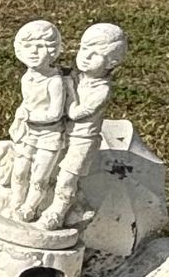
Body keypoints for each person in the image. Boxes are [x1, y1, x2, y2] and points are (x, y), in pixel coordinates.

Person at [45, 22, 129, 229]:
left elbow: (75, 113)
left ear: (112, 62)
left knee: (67, 178)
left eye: (95, 54)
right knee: (49, 170)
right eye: (83, 48)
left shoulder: (101, 90)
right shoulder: (74, 75)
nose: (85, 56)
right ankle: (64, 204)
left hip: (82, 140)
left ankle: (57, 212)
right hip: (61, 132)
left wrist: (67, 87)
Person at [0, 19, 68, 223]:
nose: (33, 52)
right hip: (28, 133)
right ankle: (15, 204)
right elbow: (27, 102)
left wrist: (30, 116)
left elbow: (55, 113)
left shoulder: (55, 81)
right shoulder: (27, 78)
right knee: (19, 172)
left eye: (40, 46)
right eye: (28, 46)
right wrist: (21, 116)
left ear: (52, 50)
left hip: (49, 136)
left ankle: (30, 208)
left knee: (39, 177)